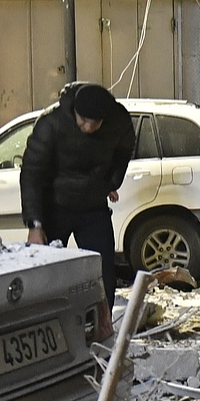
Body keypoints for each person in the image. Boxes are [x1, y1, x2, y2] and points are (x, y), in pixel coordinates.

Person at [21, 82, 134, 338]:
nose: (88, 128)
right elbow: (31, 174)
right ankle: (44, 329)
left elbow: (124, 152)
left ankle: (102, 325)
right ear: (75, 113)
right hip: (55, 206)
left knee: (102, 270)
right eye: (83, 121)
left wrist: (110, 182)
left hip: (92, 207)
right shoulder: (52, 124)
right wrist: (35, 224)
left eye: (95, 123)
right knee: (46, 271)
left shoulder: (119, 122)